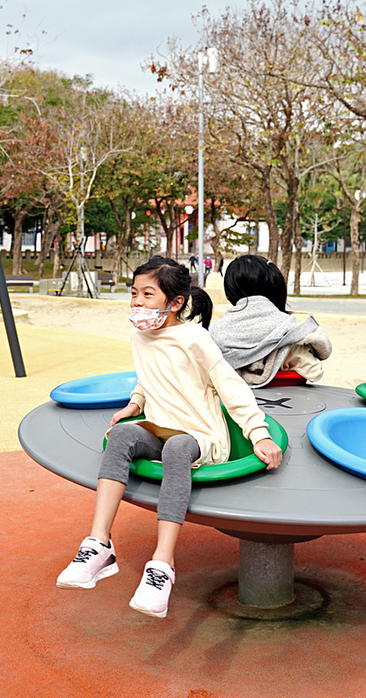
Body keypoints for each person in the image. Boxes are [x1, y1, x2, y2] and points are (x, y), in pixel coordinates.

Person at [55, 256, 283, 618]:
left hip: (199, 435)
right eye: (133, 293)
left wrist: (258, 433)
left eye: (148, 294)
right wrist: (135, 403)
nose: (137, 302)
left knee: (178, 446)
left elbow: (231, 387)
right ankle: (99, 544)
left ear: (175, 302)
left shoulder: (195, 338)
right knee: (120, 436)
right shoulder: (140, 335)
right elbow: (151, 376)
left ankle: (162, 565)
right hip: (159, 426)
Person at [209, 254, 332, 386]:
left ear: (230, 292)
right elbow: (315, 371)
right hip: (288, 397)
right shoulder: (289, 330)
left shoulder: (215, 332)